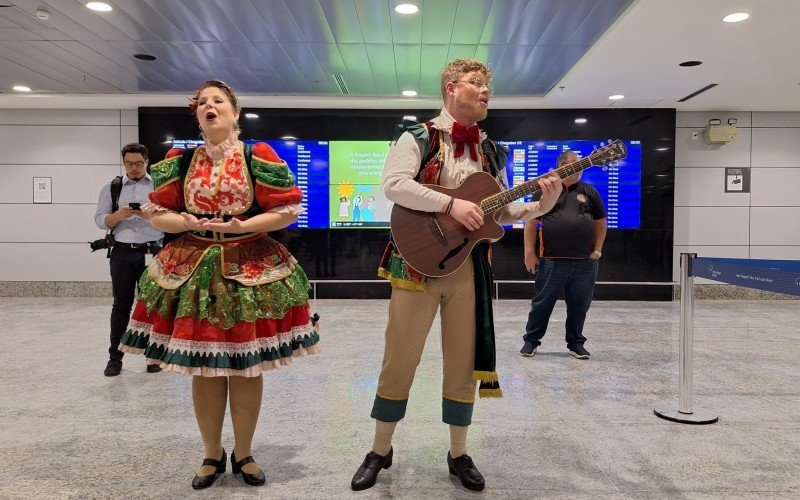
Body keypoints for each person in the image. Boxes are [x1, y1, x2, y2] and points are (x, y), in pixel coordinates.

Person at [350, 58, 562, 492]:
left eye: (488, 85)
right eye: (476, 83)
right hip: (415, 267)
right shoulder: (418, 136)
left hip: (470, 270)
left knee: (463, 365)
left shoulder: (491, 150)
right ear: (451, 88)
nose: (485, 91)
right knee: (399, 359)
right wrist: (449, 205)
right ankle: (380, 448)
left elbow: (501, 210)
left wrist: (541, 205)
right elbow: (393, 184)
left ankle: (459, 452)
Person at [117, 80, 320, 489]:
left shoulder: (256, 155)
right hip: (193, 266)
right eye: (203, 103)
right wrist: (185, 222)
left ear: (234, 112)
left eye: (219, 101)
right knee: (205, 370)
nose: (210, 107)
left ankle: (243, 452)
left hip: (250, 266)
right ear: (197, 115)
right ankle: (212, 453)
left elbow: (285, 212)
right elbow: (158, 215)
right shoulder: (181, 159)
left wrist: (245, 225)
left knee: (246, 369)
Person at [520, 150, 607, 359]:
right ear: (562, 167)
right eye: (576, 163)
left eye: (582, 164)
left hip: (585, 263)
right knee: (542, 304)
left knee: (579, 306)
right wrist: (529, 253)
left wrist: (597, 251)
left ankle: (576, 343)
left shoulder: (589, 191)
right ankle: (531, 342)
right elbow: (531, 224)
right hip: (551, 261)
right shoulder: (545, 191)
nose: (581, 167)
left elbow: (601, 223)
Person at [94, 143, 164, 377]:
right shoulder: (112, 187)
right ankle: (115, 357)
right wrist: (119, 215)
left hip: (152, 252)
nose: (134, 168)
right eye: (129, 164)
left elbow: (170, 218)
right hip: (122, 253)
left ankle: (153, 357)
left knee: (152, 306)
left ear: (147, 162)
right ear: (124, 163)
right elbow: (101, 220)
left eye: (139, 164)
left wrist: (149, 216)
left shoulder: (159, 186)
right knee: (121, 306)